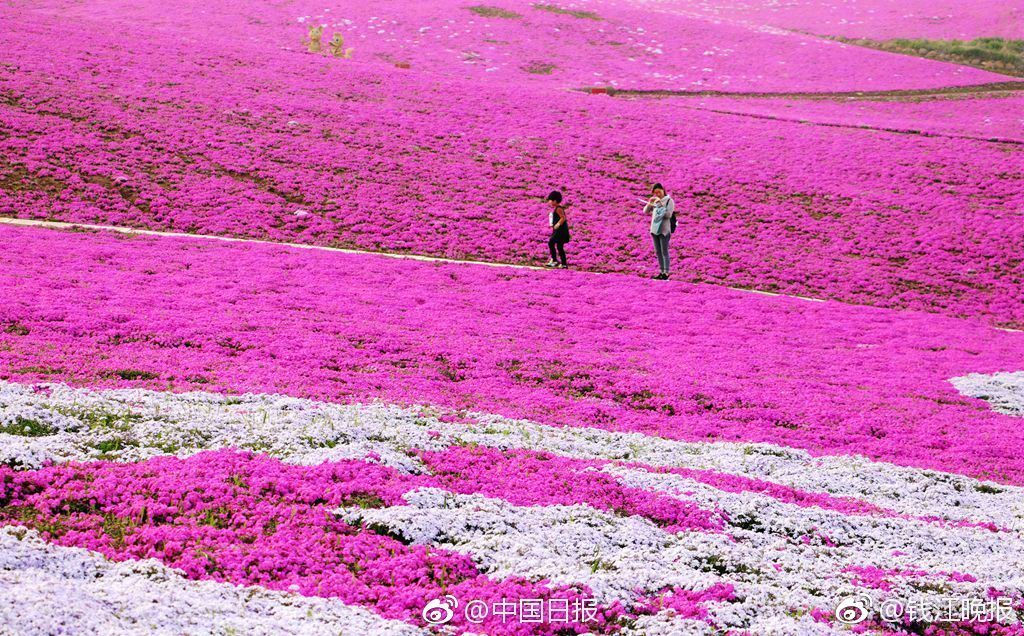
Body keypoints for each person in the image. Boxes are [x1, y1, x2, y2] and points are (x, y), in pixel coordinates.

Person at [644, 183, 675, 279]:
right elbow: (645, 211)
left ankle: (666, 273)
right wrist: (650, 202)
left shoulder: (669, 201)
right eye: (655, 193)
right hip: (654, 229)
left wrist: (659, 205)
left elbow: (668, 215)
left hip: (664, 230)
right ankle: (661, 272)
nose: (658, 194)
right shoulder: (655, 200)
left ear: (663, 190)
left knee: (664, 251)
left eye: (659, 192)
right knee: (658, 252)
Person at [545, 190, 570, 268]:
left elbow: (563, 218)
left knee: (551, 243)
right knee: (559, 246)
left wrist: (557, 224)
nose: (549, 202)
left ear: (555, 201)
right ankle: (564, 264)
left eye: (550, 200)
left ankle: (554, 260)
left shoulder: (558, 208)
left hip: (560, 231)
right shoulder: (557, 208)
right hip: (560, 231)